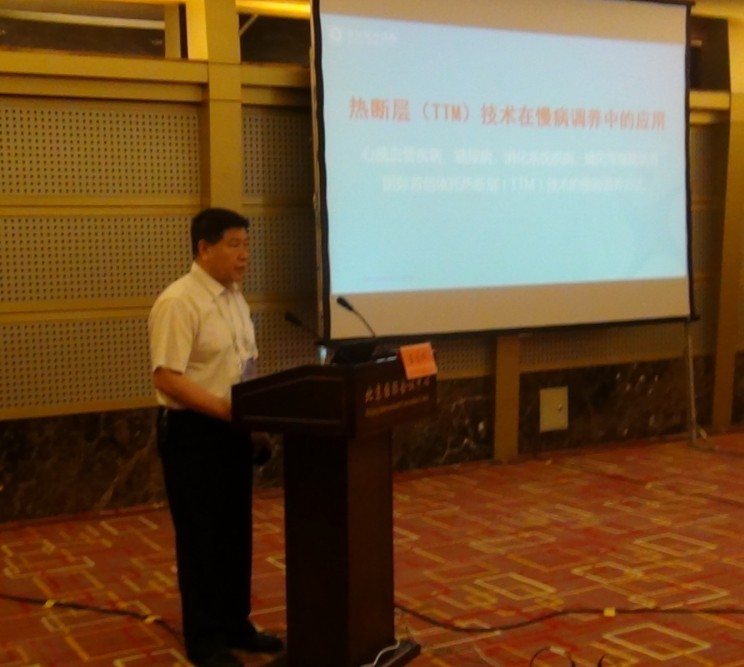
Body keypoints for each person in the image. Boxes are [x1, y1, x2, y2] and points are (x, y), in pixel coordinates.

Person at [148, 207, 283, 667]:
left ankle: (235, 624)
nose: (244, 254)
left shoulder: (235, 299)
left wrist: (253, 423)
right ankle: (204, 638)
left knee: (234, 532)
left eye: (247, 244)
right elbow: (166, 376)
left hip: (232, 429)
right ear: (204, 248)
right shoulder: (179, 301)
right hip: (193, 432)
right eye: (234, 245)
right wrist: (227, 411)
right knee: (201, 537)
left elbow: (242, 367)